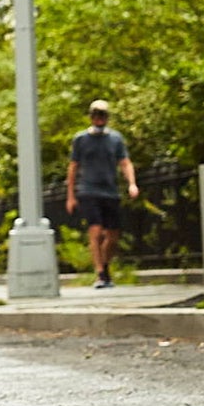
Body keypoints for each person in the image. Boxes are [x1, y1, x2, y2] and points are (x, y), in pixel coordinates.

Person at [66, 100, 138, 289]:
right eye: (96, 115)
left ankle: (105, 266)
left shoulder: (115, 139)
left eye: (103, 115)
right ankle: (100, 272)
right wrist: (71, 196)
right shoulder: (80, 139)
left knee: (112, 236)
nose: (99, 118)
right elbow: (73, 167)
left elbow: (125, 162)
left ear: (107, 117)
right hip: (88, 190)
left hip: (110, 191)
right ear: (91, 117)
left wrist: (132, 183)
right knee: (96, 231)